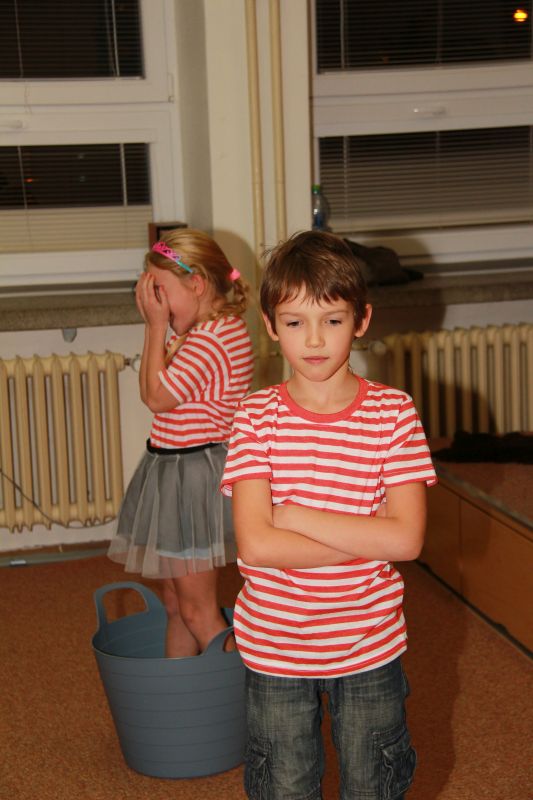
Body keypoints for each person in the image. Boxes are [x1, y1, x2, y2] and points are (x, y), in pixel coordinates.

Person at [221, 230, 437, 799]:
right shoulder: (254, 417)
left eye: (332, 320)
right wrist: (371, 534)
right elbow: (257, 546)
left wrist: (292, 514)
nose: (314, 339)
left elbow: (408, 541)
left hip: (370, 641)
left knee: (373, 786)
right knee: (285, 787)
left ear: (362, 319)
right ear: (270, 325)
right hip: (274, 645)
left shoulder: (394, 414)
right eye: (295, 322)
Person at [108, 228, 254, 657]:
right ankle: (182, 693)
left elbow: (156, 397)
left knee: (197, 611)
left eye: (160, 292)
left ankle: (245, 691)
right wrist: (159, 325)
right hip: (172, 469)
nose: (154, 303)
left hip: (193, 479)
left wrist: (154, 326)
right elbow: (156, 393)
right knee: (176, 605)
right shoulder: (196, 331)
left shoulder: (213, 339)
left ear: (197, 284)